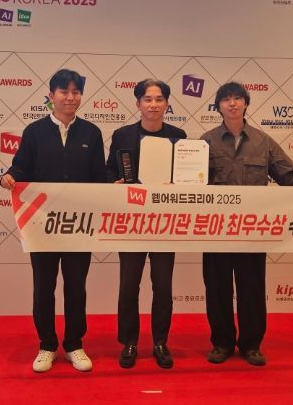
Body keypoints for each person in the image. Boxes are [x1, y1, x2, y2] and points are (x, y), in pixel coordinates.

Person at [200, 81, 293, 367]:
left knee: (252, 288)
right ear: (218, 106)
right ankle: (222, 343)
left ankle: (251, 345)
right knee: (217, 288)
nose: (232, 103)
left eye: (238, 98)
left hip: (253, 231)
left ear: (246, 104)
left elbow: (290, 175)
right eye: (226, 99)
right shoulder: (206, 142)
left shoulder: (262, 141)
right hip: (216, 229)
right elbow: (190, 182)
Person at [0, 69, 105, 373]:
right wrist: (9, 177)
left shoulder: (91, 133)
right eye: (64, 91)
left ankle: (74, 344)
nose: (70, 97)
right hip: (42, 225)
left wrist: (116, 187)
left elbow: (99, 176)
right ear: (51, 96)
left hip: (79, 225)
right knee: (43, 287)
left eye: (76, 92)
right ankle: (46, 345)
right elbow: (21, 167)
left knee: (76, 287)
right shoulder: (34, 131)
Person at [106, 79, 187, 369]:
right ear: (138, 103)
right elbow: (109, 171)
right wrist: (113, 183)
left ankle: (160, 342)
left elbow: (187, 175)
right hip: (131, 221)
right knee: (129, 286)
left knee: (163, 287)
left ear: (167, 104)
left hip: (165, 222)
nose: (153, 104)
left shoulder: (178, 136)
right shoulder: (122, 135)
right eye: (147, 99)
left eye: (159, 99)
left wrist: (181, 183)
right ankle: (129, 342)